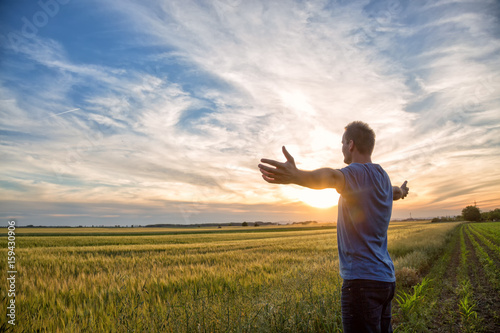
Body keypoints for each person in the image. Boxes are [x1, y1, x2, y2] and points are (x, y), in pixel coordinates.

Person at [258, 121, 409, 333]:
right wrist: (402, 192)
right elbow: (394, 192)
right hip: (386, 281)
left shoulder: (354, 173)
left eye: (342, 143)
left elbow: (331, 177)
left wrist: (296, 175)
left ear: (351, 145)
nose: (341, 148)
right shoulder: (383, 177)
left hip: (362, 283)